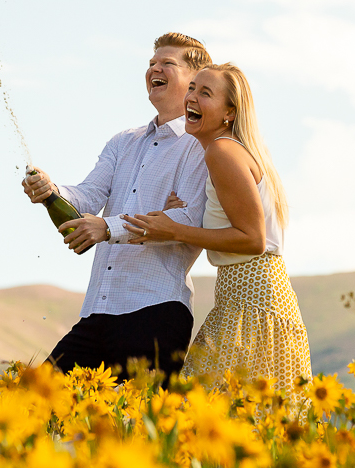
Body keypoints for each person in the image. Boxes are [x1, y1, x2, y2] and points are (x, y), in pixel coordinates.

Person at [22, 32, 212, 378]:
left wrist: (107, 227)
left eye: (167, 63)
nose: (154, 68)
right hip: (99, 308)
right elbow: (88, 195)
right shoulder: (123, 141)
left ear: (193, 81)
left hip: (157, 309)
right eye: (152, 63)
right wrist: (51, 190)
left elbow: (187, 219)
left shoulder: (199, 145)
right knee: (34, 401)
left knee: (137, 426)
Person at [123, 63, 312, 402]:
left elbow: (252, 240)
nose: (191, 97)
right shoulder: (229, 150)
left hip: (252, 299)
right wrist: (179, 215)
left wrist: (177, 230)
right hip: (253, 296)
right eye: (192, 88)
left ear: (229, 112)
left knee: (202, 411)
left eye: (205, 93)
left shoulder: (222, 151)